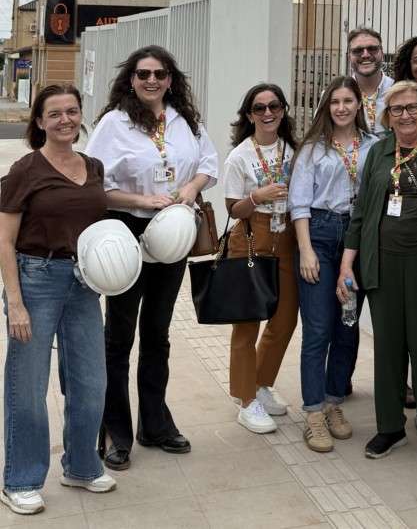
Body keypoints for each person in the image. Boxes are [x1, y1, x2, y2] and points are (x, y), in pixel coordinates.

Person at [86, 45, 218, 471]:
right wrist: (142, 200)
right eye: (143, 74)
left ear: (170, 79)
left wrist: (192, 188)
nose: (151, 81)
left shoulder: (185, 121)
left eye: (159, 74)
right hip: (128, 231)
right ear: (131, 79)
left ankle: (155, 425)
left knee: (157, 334)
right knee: (118, 338)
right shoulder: (114, 123)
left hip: (173, 233)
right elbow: (95, 184)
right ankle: (115, 433)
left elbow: (208, 163)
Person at [0, 84, 115, 515]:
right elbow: (4, 240)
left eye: (71, 111)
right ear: (40, 122)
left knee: (90, 381)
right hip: (36, 279)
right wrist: (15, 303)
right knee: (28, 385)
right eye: (54, 113)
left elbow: (102, 208)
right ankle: (21, 480)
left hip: (83, 282)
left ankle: (82, 466)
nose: (65, 120)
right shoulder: (25, 170)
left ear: (81, 115)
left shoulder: (93, 165)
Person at [336, 80, 417, 464]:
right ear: (388, 116)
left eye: (413, 107)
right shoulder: (379, 152)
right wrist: (347, 264)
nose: (406, 115)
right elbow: (360, 213)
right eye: (398, 109)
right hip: (382, 263)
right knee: (387, 349)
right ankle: (390, 427)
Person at [288, 76, 378, 452]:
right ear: (326, 107)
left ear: (359, 105)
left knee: (347, 327)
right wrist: (306, 250)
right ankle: (312, 413)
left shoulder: (374, 146)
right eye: (334, 101)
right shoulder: (312, 149)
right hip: (321, 236)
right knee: (318, 328)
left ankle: (332, 404)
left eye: (348, 101)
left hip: (357, 241)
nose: (341, 108)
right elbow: (299, 204)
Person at [222, 84, 300, 434]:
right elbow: (233, 209)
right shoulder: (240, 156)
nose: (268, 113)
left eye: (274, 106)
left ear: (283, 110)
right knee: (247, 322)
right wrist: (258, 195)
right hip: (252, 237)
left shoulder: (294, 150)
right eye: (259, 108)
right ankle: (245, 400)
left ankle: (260, 382)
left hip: (288, 236)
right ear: (249, 115)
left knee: (285, 319)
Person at [348, 27, 394, 135]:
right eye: (358, 50)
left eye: (372, 49)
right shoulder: (335, 94)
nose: (365, 55)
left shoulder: (397, 90)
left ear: (382, 54)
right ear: (349, 58)